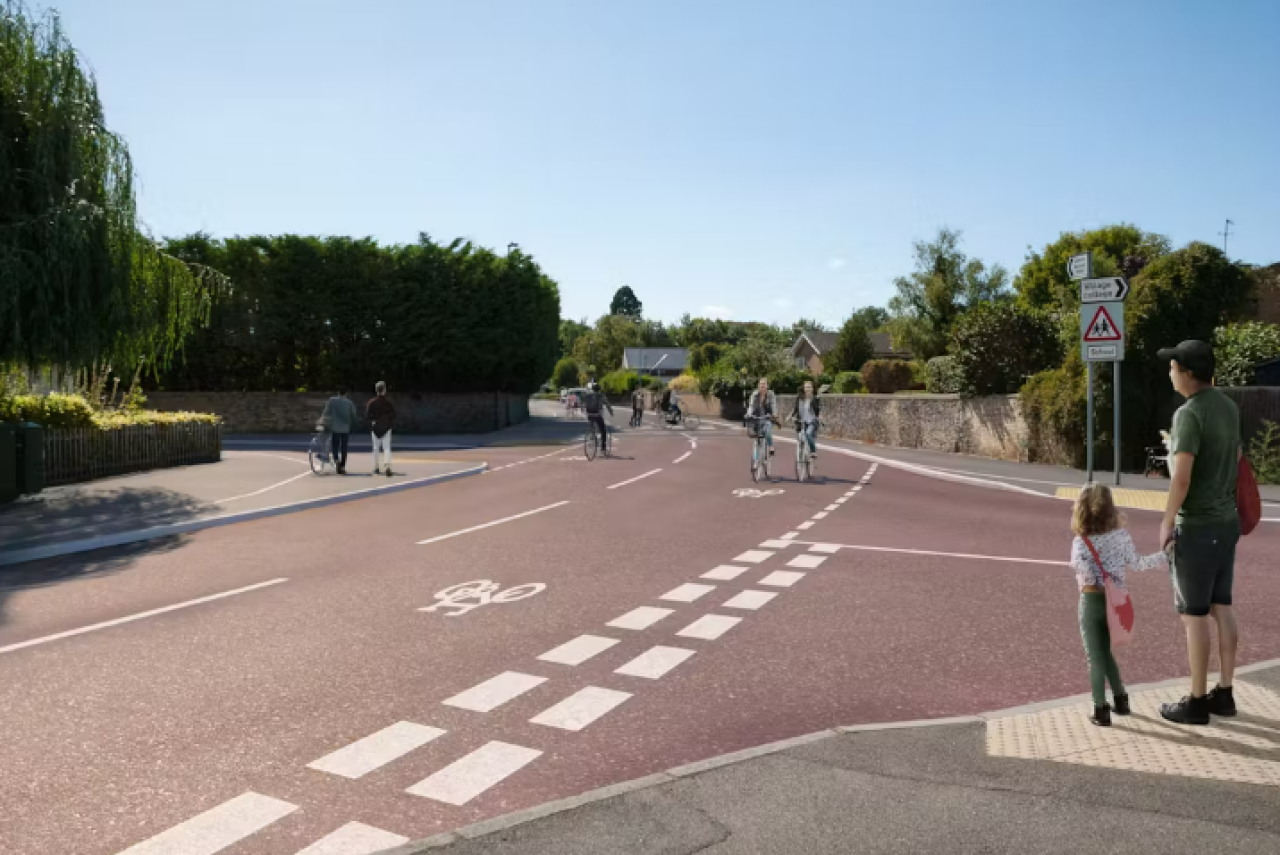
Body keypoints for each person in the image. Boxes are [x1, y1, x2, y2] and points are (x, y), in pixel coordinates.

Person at [1156, 339, 1243, 725]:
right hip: (1227, 523)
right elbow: (1234, 457)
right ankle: (1224, 693)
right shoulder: (1228, 407)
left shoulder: (1188, 414)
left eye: (1173, 367)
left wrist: (1167, 520)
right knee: (1221, 606)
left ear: (1188, 372)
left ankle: (1195, 701)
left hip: (1199, 524)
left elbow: (1183, 478)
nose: (1170, 373)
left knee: (1194, 615)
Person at [1069, 484, 1168, 727]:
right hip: (1117, 601)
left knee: (1095, 657)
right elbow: (1137, 563)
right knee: (1105, 652)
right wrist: (1166, 554)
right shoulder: (1121, 536)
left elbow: (1084, 573)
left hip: (1091, 601)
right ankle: (1121, 698)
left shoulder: (1080, 543)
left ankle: (1100, 708)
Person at [321, 388, 359, 475]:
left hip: (335, 428)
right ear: (346, 393)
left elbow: (326, 412)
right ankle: (342, 466)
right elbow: (353, 415)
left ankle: (337, 461)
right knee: (344, 447)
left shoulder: (332, 401)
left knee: (335, 446)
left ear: (338, 393)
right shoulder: (349, 403)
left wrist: (323, 421)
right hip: (345, 429)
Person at [366, 380, 396, 477]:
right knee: (386, 447)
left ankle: (376, 467)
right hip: (386, 426)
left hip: (375, 426)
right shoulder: (388, 402)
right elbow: (393, 415)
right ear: (384, 390)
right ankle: (387, 466)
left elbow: (368, 416)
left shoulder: (371, 403)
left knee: (376, 447)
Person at [790, 379, 821, 464]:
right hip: (801, 421)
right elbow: (795, 409)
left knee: (808, 434)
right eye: (806, 387)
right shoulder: (799, 398)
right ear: (803, 388)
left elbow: (818, 410)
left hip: (812, 421)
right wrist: (791, 416)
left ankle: (813, 451)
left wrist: (819, 417)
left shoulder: (815, 398)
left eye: (809, 387)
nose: (807, 389)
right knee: (800, 437)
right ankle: (801, 455)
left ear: (812, 388)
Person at [745, 378, 778, 457]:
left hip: (767, 417)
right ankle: (756, 459)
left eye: (764, 384)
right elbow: (751, 405)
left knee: (767, 432)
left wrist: (774, 414)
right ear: (758, 385)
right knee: (757, 437)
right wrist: (749, 413)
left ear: (767, 386)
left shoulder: (771, 394)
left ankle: (771, 446)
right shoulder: (755, 394)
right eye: (761, 384)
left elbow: (773, 405)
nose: (762, 385)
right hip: (757, 417)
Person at [582, 381, 613, 450]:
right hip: (597, 415)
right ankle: (603, 446)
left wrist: (584, 411)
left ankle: (593, 434)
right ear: (599, 389)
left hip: (589, 414)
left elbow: (584, 404)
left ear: (593, 389)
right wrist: (611, 412)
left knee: (592, 423)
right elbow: (607, 404)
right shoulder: (601, 395)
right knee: (603, 430)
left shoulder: (588, 395)